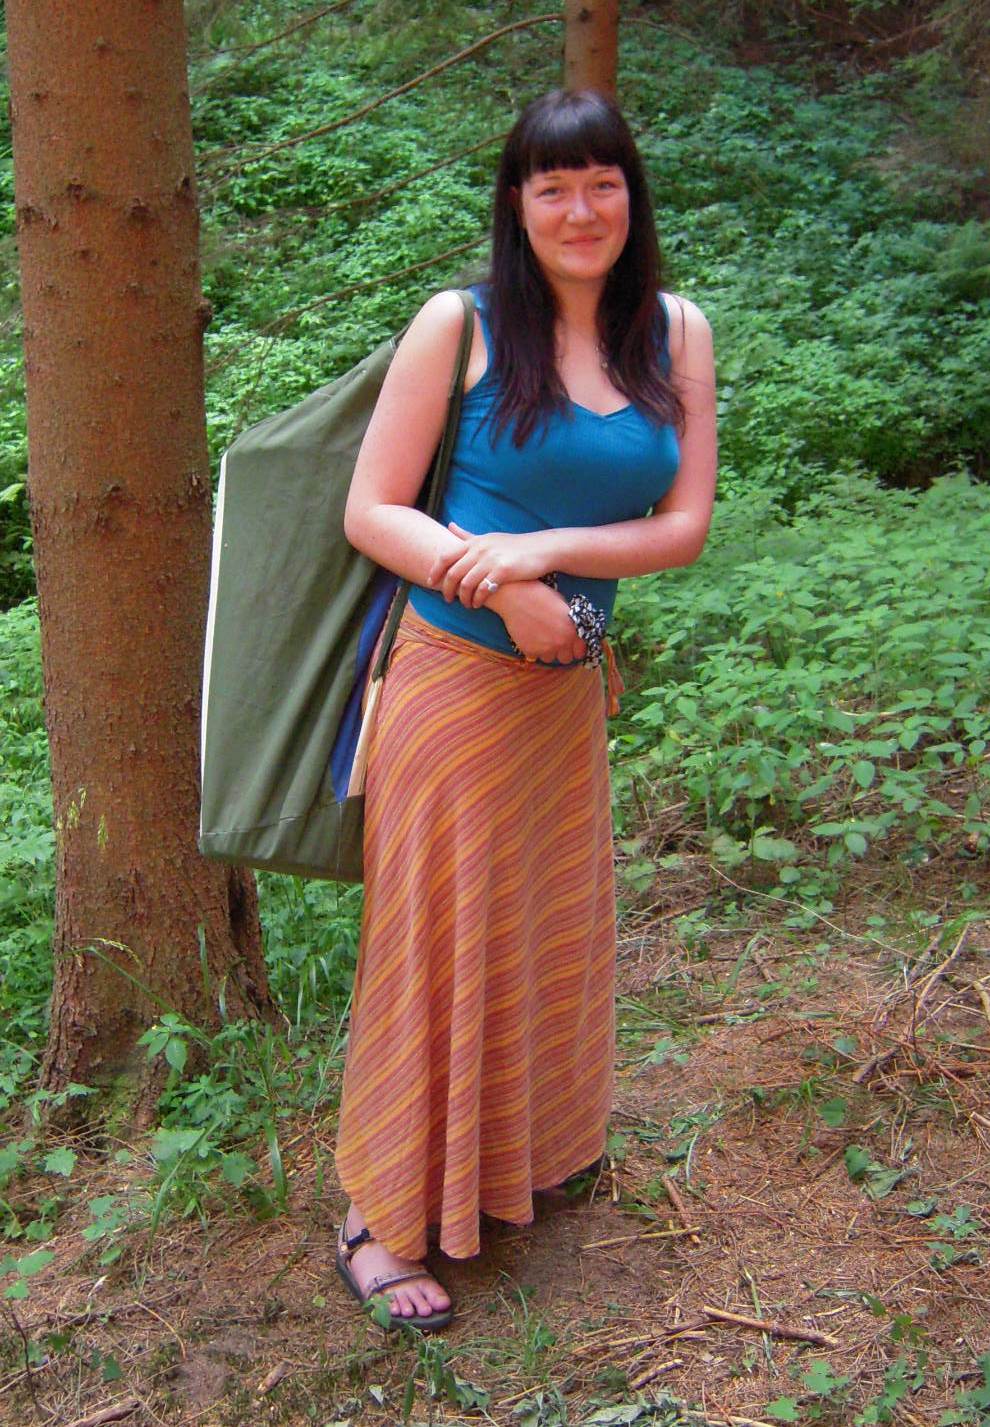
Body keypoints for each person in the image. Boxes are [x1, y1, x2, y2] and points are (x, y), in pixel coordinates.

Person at [336, 88, 717, 1331]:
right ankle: (379, 1214)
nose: (581, 209)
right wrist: (496, 586)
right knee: (435, 943)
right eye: (554, 186)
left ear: (632, 195)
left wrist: (541, 554)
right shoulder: (460, 324)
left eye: (603, 182)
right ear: (518, 204)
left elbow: (682, 527)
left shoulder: (675, 332)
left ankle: (515, 1159)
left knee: (544, 926)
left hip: (563, 700)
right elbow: (372, 509)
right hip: (451, 689)